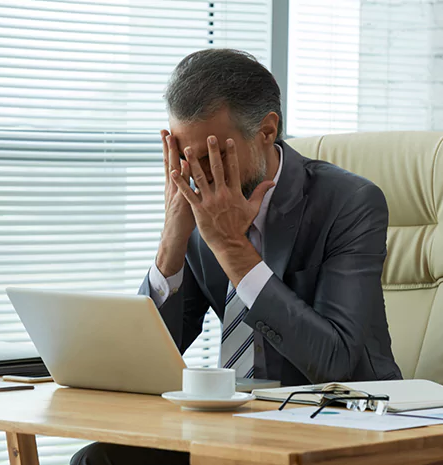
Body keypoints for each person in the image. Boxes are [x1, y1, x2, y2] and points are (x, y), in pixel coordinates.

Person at [71, 48, 402, 465]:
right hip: (235, 426)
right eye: (184, 156)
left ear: (266, 131)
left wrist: (231, 247)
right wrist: (170, 246)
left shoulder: (350, 202)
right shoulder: (196, 205)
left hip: (337, 425)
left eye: (211, 156)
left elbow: (334, 362)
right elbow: (145, 364)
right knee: (98, 459)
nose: (197, 174)